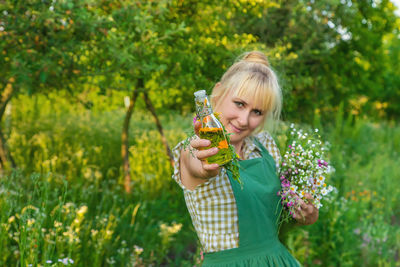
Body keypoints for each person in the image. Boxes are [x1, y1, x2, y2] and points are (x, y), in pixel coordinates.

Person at [172, 51, 318, 266]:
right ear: (218, 92)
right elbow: (199, 166)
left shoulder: (265, 147)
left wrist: (307, 214)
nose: (244, 120)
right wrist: (208, 167)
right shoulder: (194, 148)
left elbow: (279, 218)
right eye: (239, 104)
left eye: (257, 111)